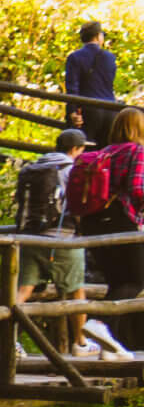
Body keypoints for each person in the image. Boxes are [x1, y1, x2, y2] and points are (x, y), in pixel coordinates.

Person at [70, 105, 144, 298]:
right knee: (137, 281)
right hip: (120, 220)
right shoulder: (137, 151)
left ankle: (105, 327)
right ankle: (100, 324)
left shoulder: (106, 152)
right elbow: (137, 190)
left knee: (116, 282)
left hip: (93, 222)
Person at [12, 127, 86, 310]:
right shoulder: (70, 170)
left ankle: (6, 333)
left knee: (24, 289)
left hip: (30, 237)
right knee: (76, 292)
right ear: (75, 149)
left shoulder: (35, 167)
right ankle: (79, 339)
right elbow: (76, 207)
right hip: (61, 240)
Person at [65, 21, 117, 141]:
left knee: (83, 150)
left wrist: (72, 111)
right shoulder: (110, 57)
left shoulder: (75, 57)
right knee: (105, 153)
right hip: (110, 109)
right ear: (99, 36)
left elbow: (72, 87)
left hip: (87, 111)